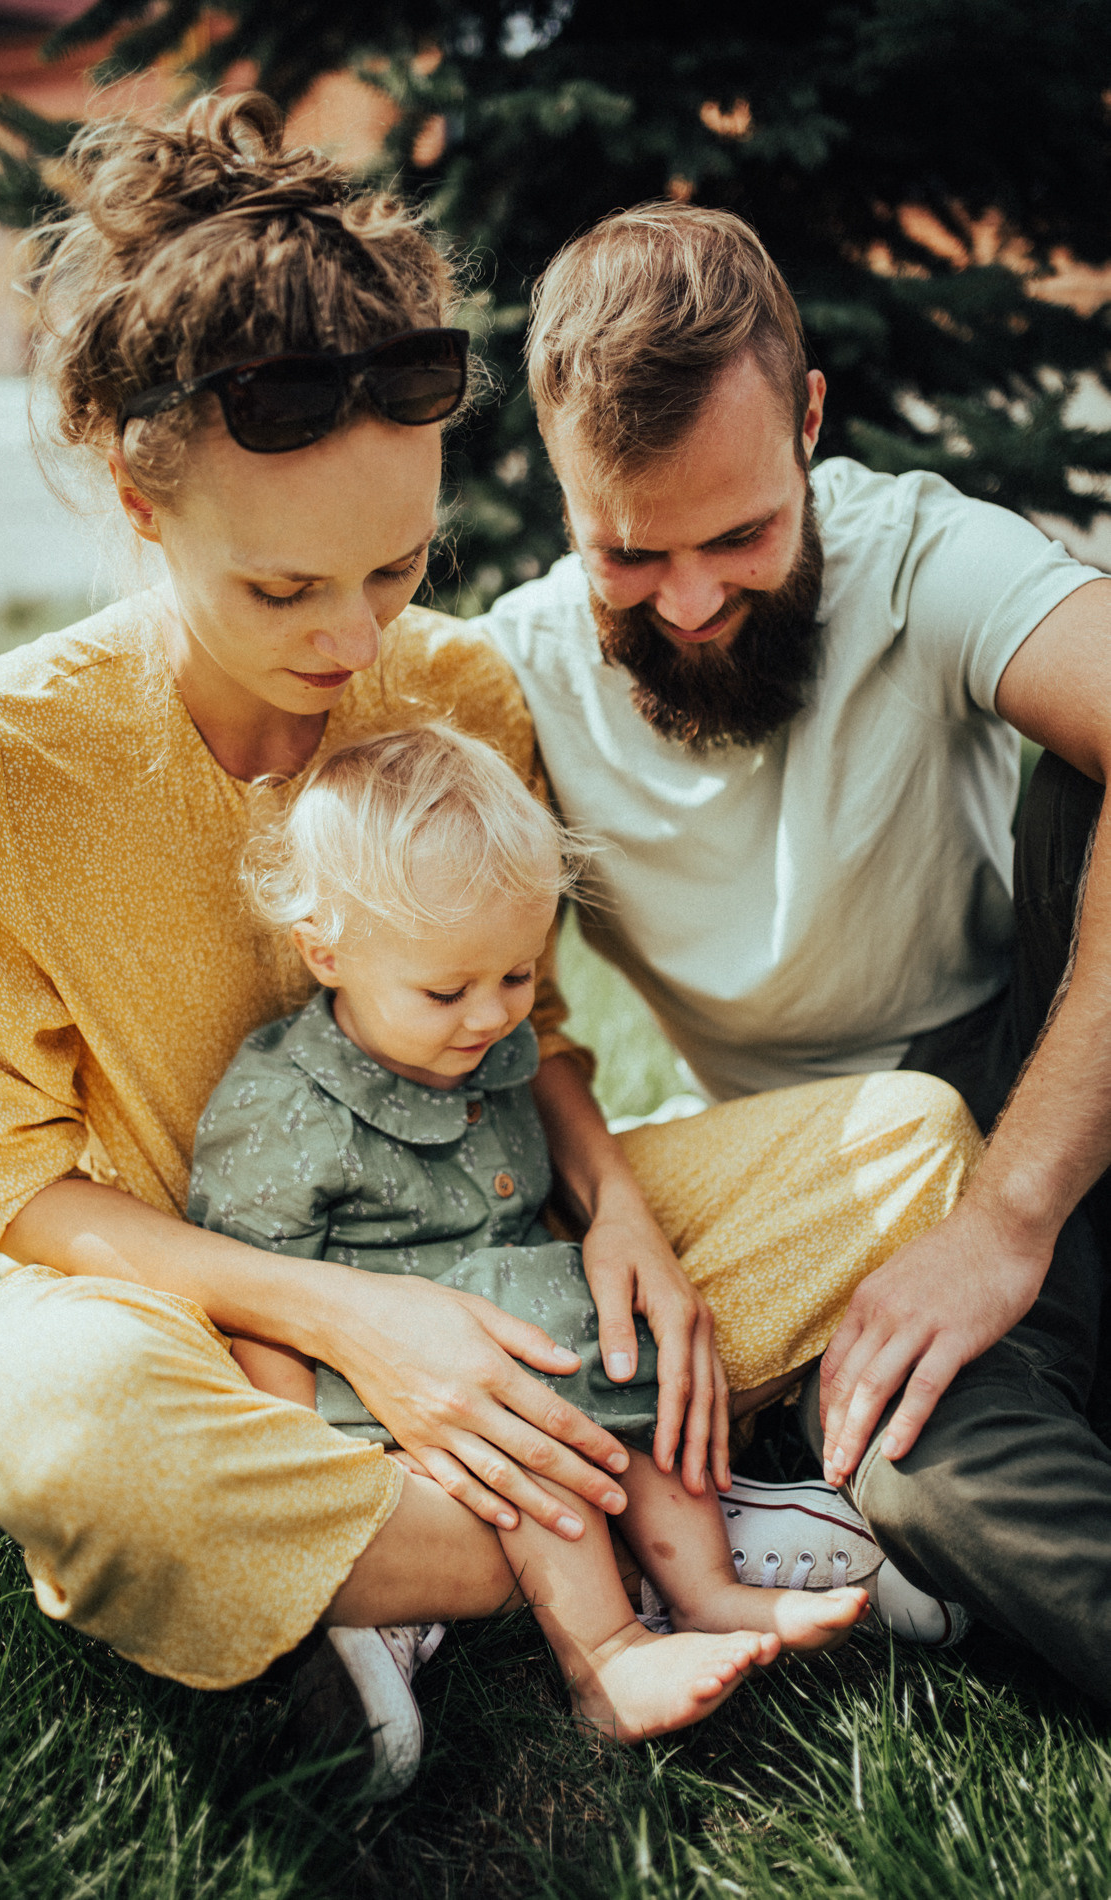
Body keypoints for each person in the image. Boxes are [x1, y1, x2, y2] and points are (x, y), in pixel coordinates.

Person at [0, 94, 976, 1801]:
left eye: (395, 568)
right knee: (51, 1422)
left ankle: (403, 1560)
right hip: (209, 1319)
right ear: (137, 501)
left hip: (507, 1249)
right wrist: (359, 1325)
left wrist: (614, 1205)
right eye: (279, 592)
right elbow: (7, 1184)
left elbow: (527, 1024)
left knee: (905, 1142)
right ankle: (596, 1513)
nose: (348, 638)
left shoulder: (456, 685)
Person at [477, 200, 1111, 1701]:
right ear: (559, 488)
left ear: (810, 423)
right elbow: (479, 1013)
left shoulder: (919, 554)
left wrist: (1007, 1218)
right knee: (912, 1475)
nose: (692, 602)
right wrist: (614, 1198)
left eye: (744, 533)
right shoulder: (511, 676)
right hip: (833, 1198)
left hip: (1053, 1063)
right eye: (629, 552)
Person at [188, 723, 871, 1741]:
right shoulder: (287, 1106)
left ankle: (710, 1591)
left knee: (631, 1392)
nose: (490, 1016)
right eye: (446, 989)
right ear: (323, 948)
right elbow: (260, 1290)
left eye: (515, 975)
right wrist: (306, 1466)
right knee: (543, 1462)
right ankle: (603, 1657)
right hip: (402, 1396)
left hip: (533, 1330)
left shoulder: (494, 1044)